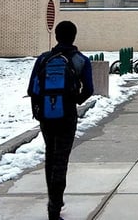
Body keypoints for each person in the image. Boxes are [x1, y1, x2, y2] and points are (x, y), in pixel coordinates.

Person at [27, 21, 94, 220]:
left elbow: (32, 89)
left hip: (47, 115)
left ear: (56, 36)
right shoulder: (80, 60)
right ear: (74, 36)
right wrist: (75, 100)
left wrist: (41, 107)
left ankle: (53, 198)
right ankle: (55, 205)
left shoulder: (43, 59)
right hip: (67, 115)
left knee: (51, 155)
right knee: (61, 159)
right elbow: (89, 89)